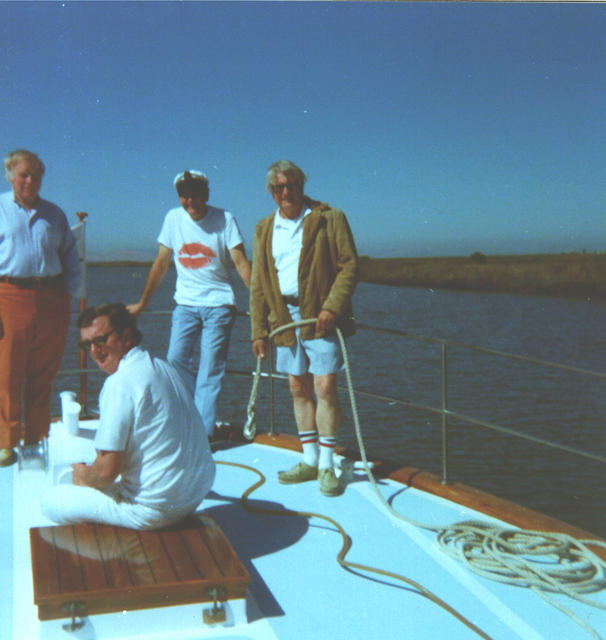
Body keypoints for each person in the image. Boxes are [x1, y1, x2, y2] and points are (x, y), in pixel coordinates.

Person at [41, 303, 216, 529]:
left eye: (101, 340)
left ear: (126, 337)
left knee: (50, 500)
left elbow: (106, 472)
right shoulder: (162, 367)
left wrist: (85, 479)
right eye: (86, 345)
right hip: (194, 495)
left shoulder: (119, 384)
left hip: (153, 510)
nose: (94, 350)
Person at [250, 160, 358, 496]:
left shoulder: (329, 218)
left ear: (302, 185)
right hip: (283, 319)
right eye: (279, 187)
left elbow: (349, 266)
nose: (286, 192)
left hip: (319, 316)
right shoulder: (263, 229)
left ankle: (327, 464)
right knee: (298, 388)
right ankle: (309, 459)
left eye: (292, 185)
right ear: (271, 192)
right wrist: (257, 331)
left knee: (325, 387)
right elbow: (257, 283)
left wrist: (331, 307)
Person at [127, 171, 251, 438]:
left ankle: (200, 436)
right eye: (184, 196)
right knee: (174, 360)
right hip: (185, 304)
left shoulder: (225, 219)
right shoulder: (173, 218)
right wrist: (142, 303)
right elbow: (161, 263)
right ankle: (196, 415)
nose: (189, 201)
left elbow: (241, 263)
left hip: (219, 304)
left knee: (209, 371)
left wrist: (262, 305)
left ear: (206, 194)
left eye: (194, 195)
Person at [0, 149, 80, 467]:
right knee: (6, 372)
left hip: (52, 298)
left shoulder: (55, 214)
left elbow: (70, 257)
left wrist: (70, 296)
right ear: (10, 176)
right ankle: (5, 442)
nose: (30, 181)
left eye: (36, 175)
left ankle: (35, 439)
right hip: (8, 296)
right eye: (24, 175)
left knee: (43, 374)